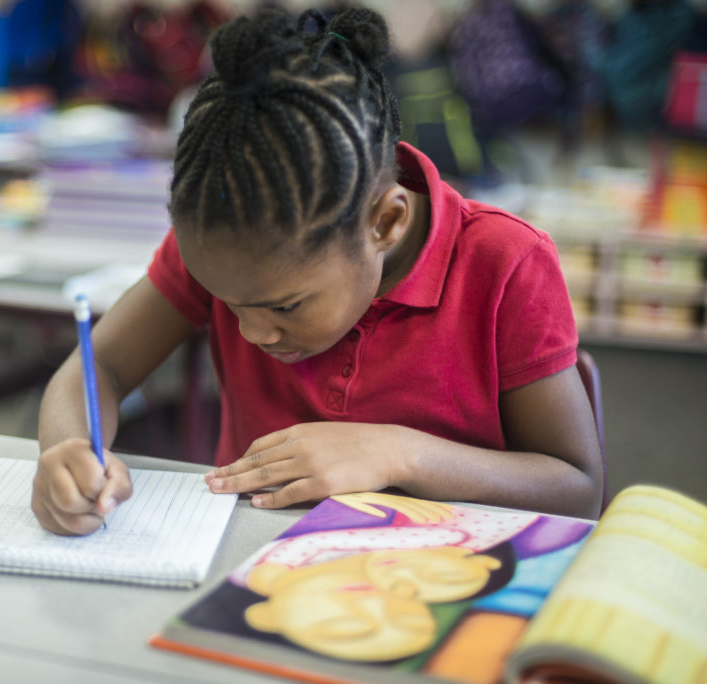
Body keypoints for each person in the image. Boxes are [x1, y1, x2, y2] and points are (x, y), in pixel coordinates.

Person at [31, 6, 603, 536]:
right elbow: (97, 363)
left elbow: (577, 489)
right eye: (227, 305)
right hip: (253, 558)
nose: (252, 332)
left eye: (285, 306)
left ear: (385, 223)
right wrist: (71, 449)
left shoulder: (504, 263)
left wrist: (397, 453)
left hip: (451, 576)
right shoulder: (233, 250)